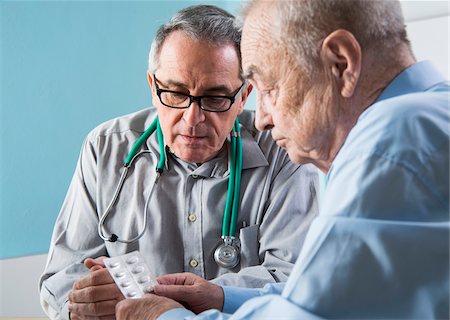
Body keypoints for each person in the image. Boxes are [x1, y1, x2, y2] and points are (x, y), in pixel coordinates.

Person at [113, 0, 450, 319]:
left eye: (269, 86)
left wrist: (163, 316)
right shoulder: (431, 117)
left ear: (341, 64)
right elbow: (330, 297)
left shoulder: (392, 142)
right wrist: (222, 296)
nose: (261, 119)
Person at [39, 4, 320, 320]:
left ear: (244, 96)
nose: (192, 119)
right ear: (153, 86)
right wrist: (84, 302)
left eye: (214, 98)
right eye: (174, 93)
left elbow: (296, 282)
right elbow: (61, 280)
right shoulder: (105, 148)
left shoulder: (287, 151)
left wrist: (165, 309)